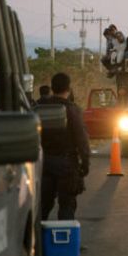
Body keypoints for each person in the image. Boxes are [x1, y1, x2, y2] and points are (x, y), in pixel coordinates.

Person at [39, 73, 90, 220]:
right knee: (67, 205)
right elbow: (82, 140)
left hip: (43, 164)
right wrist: (85, 164)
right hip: (67, 165)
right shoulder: (72, 109)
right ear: (69, 88)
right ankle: (65, 241)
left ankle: (38, 241)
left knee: (42, 207)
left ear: (52, 87)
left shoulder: (38, 108)